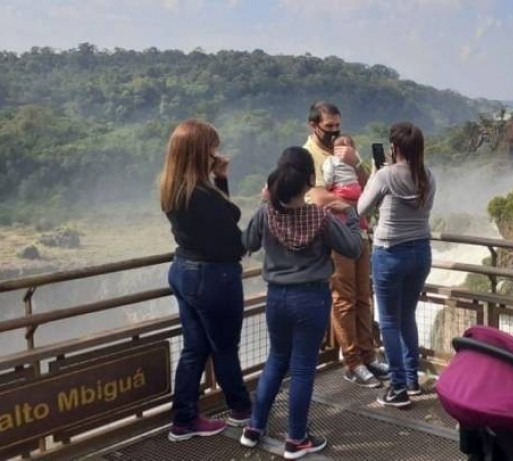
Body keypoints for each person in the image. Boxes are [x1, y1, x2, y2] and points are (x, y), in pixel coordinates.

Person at [240, 146, 362, 459]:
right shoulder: (320, 218)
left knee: (276, 359)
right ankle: (296, 439)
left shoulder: (267, 213)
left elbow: (247, 243)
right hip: (311, 298)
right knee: (304, 368)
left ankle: (254, 427)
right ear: (309, 180)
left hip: (277, 297)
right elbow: (352, 248)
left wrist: (264, 203)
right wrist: (349, 214)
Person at [158, 119, 252, 441]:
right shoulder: (204, 197)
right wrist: (222, 181)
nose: (217, 152)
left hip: (183, 270)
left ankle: (183, 420)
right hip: (214, 276)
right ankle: (242, 411)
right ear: (201, 153)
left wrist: (219, 179)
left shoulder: (173, 188)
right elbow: (234, 240)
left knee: (194, 349)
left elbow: (222, 221)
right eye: (212, 147)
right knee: (225, 348)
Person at [304, 101, 389, 388]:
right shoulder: (309, 155)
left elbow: (368, 186)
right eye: (329, 127)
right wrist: (349, 205)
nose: (334, 132)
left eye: (337, 126)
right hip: (332, 235)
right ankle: (352, 362)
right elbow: (316, 196)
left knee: (364, 296)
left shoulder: (345, 148)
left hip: (359, 232)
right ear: (313, 125)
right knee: (344, 299)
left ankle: (369, 355)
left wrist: (355, 163)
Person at [357, 122, 436, 408]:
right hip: (421, 253)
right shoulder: (428, 176)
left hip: (390, 253)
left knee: (389, 321)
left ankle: (398, 387)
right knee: (406, 317)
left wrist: (375, 175)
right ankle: (412, 380)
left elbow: (360, 209)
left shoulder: (385, 175)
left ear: (394, 147)